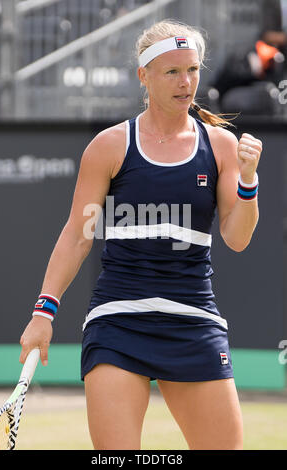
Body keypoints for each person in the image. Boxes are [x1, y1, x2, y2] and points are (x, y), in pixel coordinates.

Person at [19, 19, 262, 450]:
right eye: (171, 72)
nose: (185, 82)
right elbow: (78, 234)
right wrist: (44, 312)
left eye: (192, 70)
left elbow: (238, 238)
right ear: (143, 76)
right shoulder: (110, 146)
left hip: (194, 320)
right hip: (118, 322)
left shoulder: (221, 146)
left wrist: (247, 182)